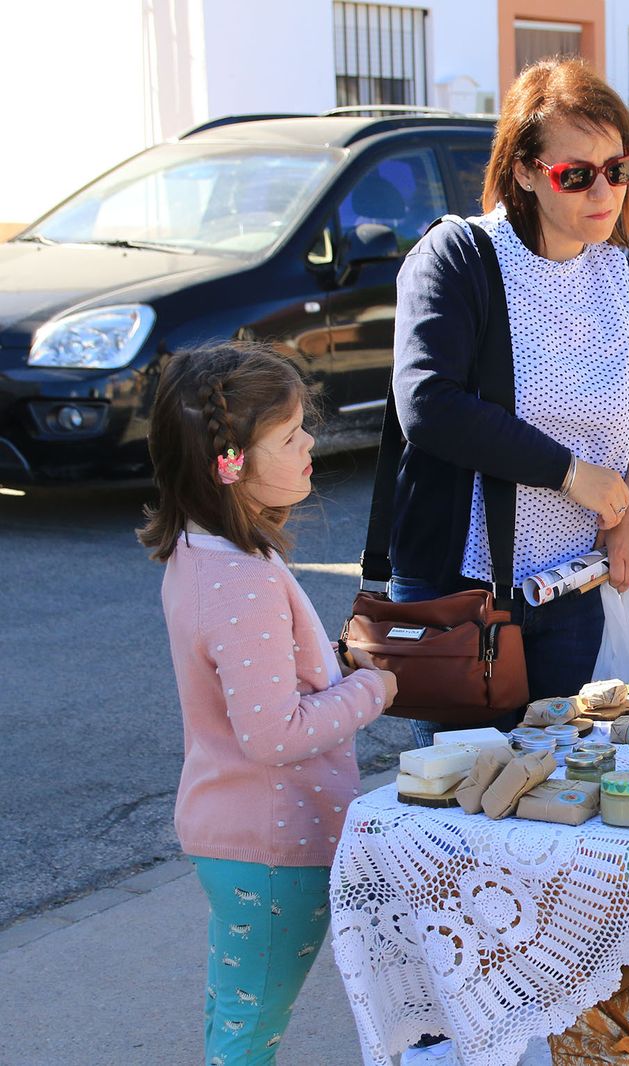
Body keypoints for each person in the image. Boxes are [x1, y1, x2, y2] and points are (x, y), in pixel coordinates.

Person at [388, 57, 629, 745]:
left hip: (572, 590)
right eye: (576, 175)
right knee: (465, 808)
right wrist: (572, 474)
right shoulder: (460, 258)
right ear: (522, 170)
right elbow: (427, 402)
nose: (603, 191)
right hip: (467, 593)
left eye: (619, 168)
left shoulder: (624, 283)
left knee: (562, 799)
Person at [138, 343, 399, 1063]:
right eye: (289, 436)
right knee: (248, 1036)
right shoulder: (238, 578)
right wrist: (373, 686)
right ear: (231, 464)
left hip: (240, 836)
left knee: (236, 1017)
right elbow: (273, 734)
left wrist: (336, 672)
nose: (311, 440)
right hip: (275, 844)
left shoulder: (203, 551)